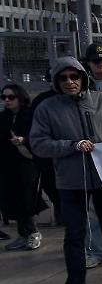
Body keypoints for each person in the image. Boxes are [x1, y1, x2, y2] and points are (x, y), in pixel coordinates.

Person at [30, 58, 102, 284]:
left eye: (74, 77)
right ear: (56, 81)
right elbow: (39, 143)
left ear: (83, 77)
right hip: (70, 181)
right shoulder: (47, 108)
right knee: (74, 236)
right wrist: (70, 146)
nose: (69, 82)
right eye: (63, 78)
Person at [1, 82, 45, 251]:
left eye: (11, 97)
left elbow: (37, 135)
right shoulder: (3, 117)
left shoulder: (29, 116)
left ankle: (33, 232)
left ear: (20, 98)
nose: (7, 100)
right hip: (8, 164)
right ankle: (23, 234)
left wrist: (24, 140)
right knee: (12, 198)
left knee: (26, 197)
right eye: (4, 97)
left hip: (26, 163)